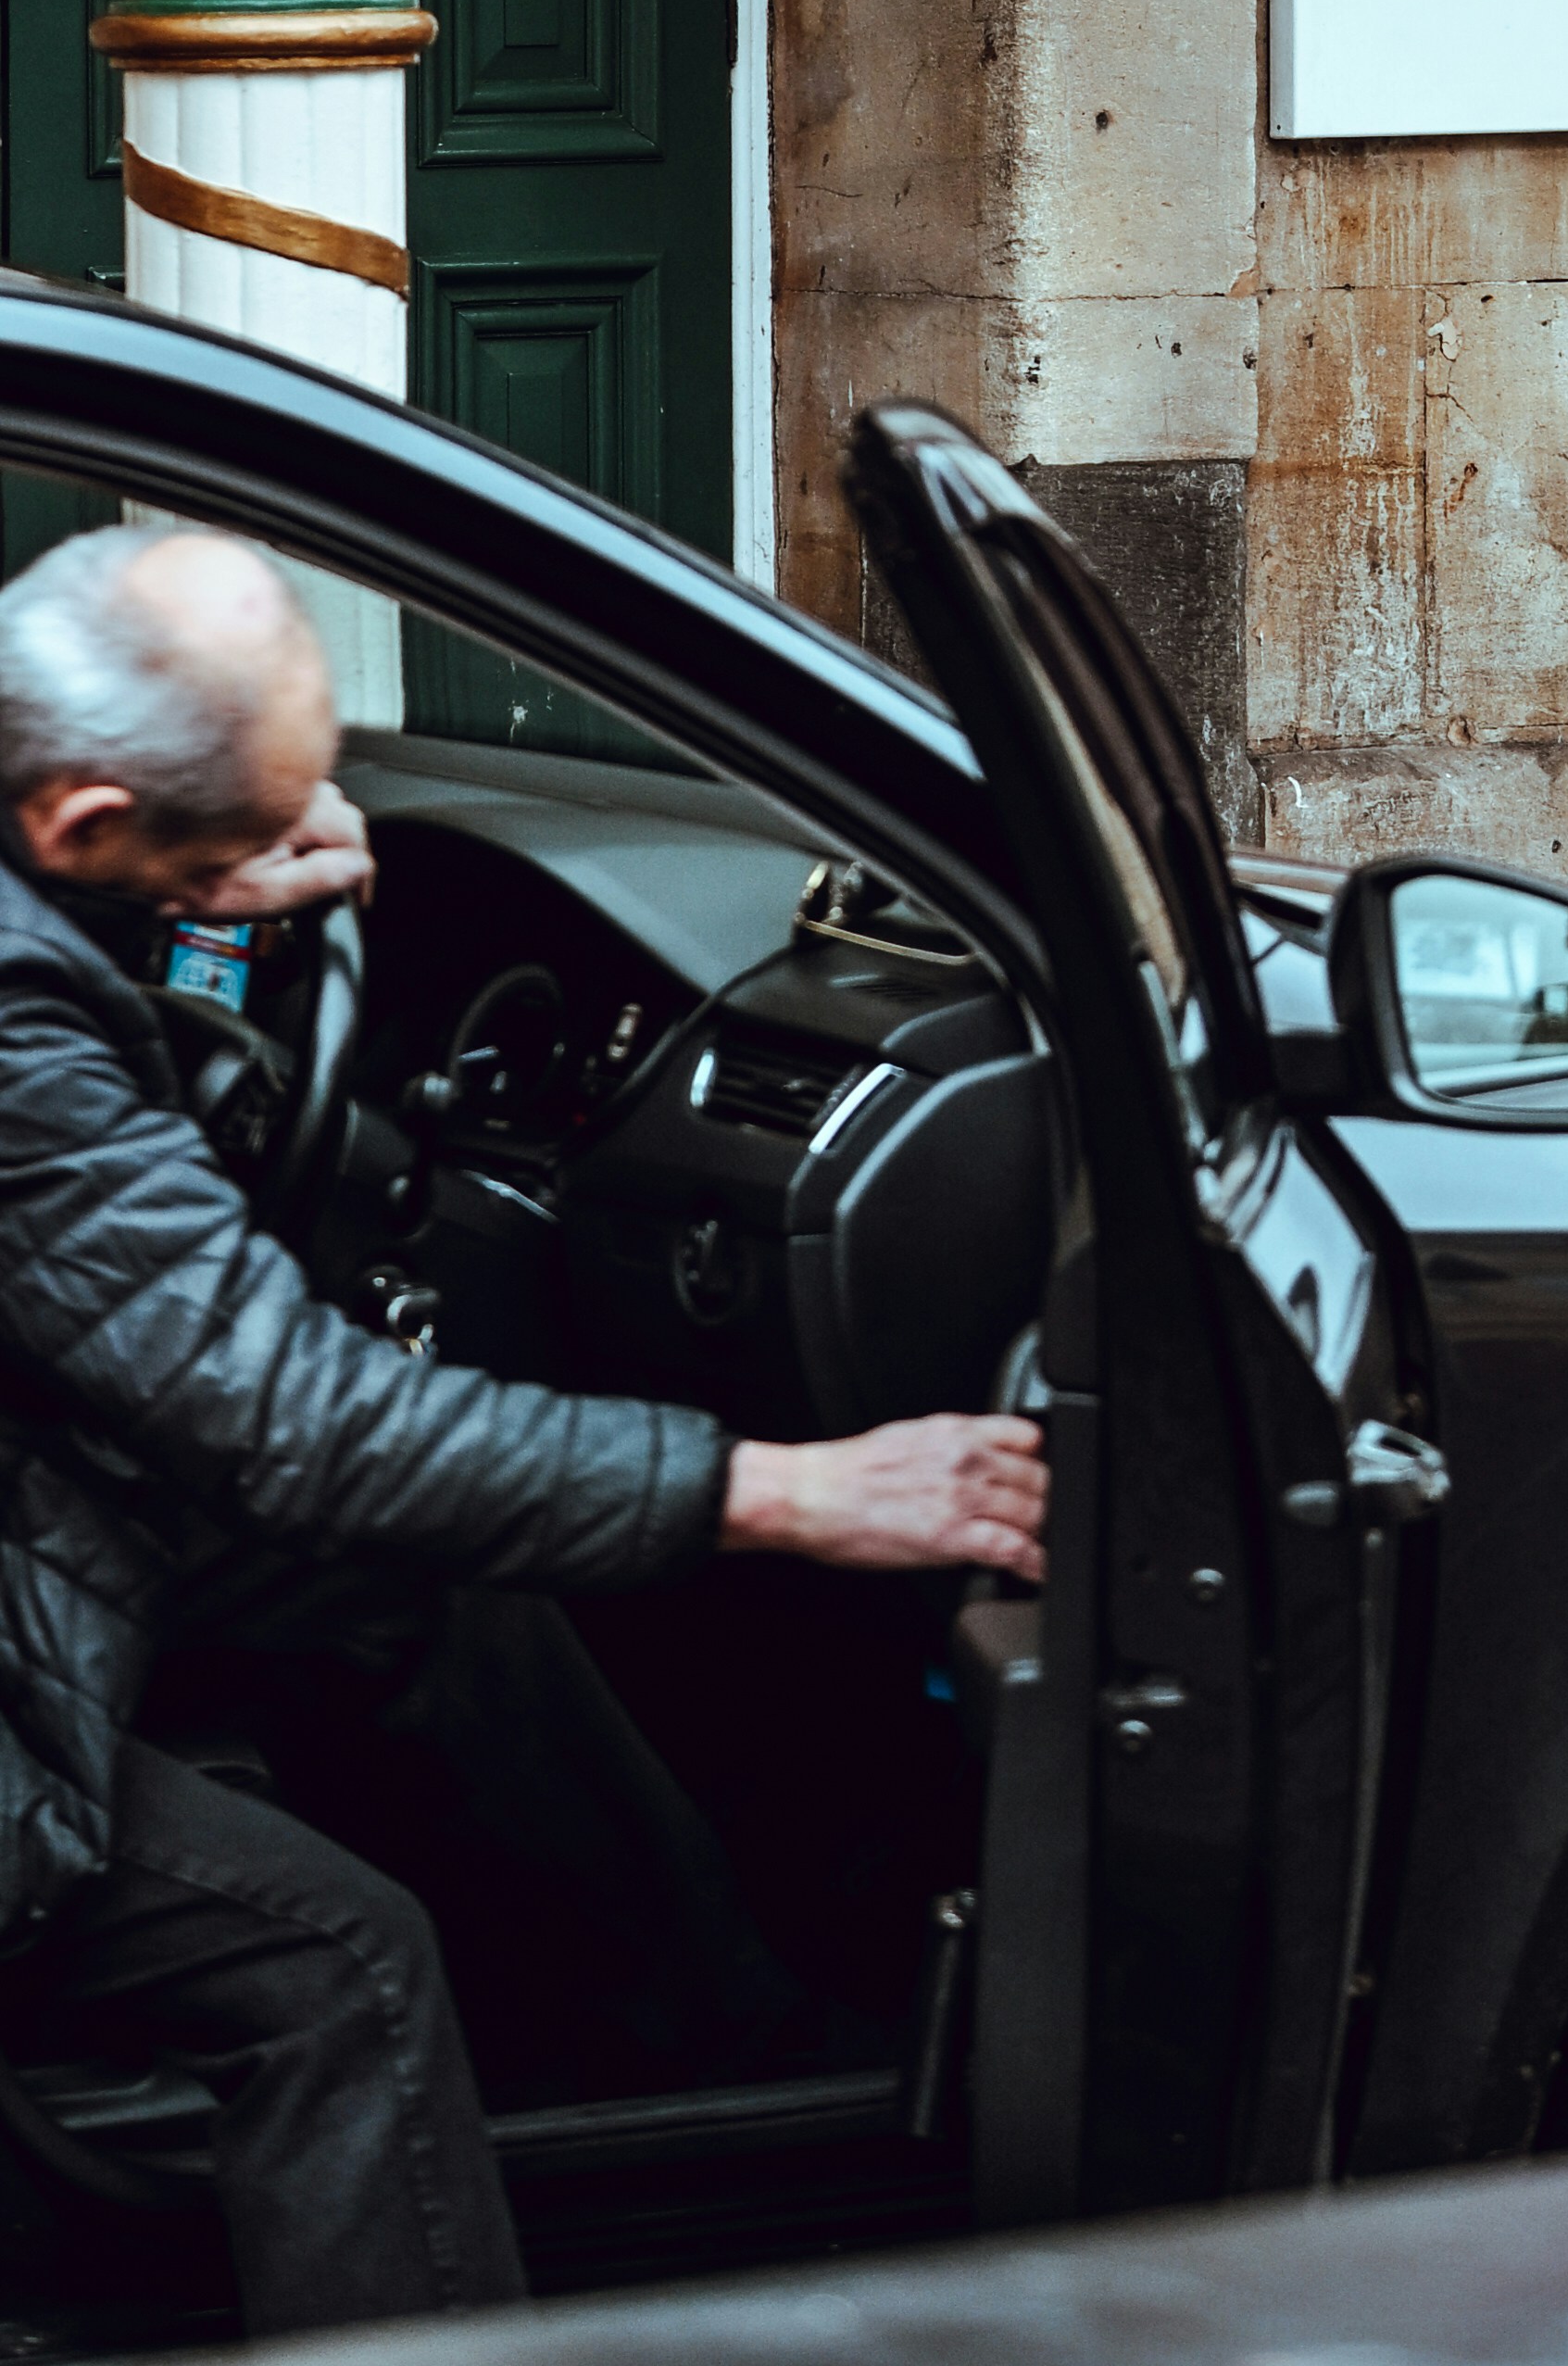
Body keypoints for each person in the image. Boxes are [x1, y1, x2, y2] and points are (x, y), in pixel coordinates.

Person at [0, 524, 1045, 2338]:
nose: (297, 845)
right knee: (341, 1967)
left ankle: (730, 2047)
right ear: (77, 822)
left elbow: (113, 1233)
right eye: (229, 834)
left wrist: (235, 886)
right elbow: (284, 1417)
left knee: (421, 1587)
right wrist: (782, 1489)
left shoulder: (44, 908)